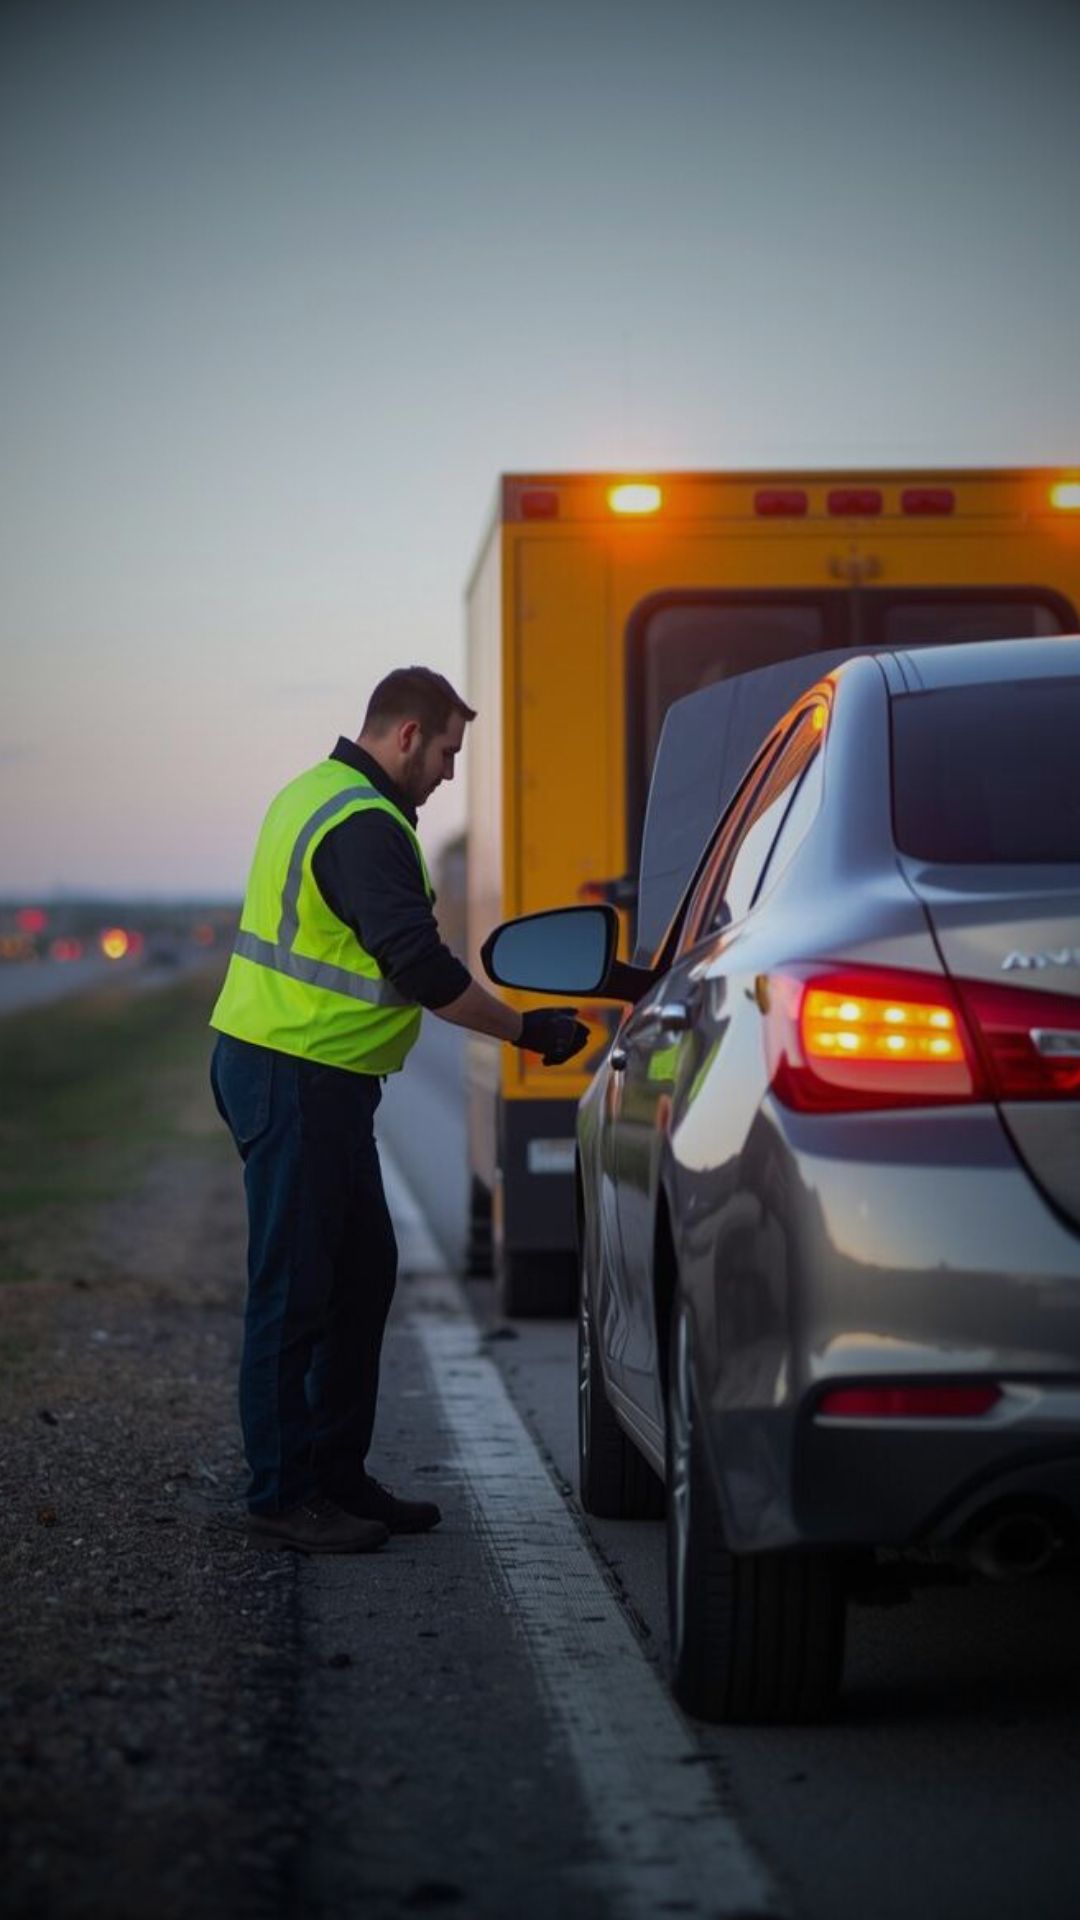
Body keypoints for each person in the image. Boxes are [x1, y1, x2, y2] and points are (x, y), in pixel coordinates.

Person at [209, 666, 587, 1553]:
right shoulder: (362, 823)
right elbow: (421, 971)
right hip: (293, 1072)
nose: (453, 772)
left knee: (361, 1274)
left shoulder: (322, 795)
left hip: (312, 1076)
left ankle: (335, 1475)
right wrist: (528, 1031)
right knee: (295, 1290)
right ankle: (281, 1494)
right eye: (450, 750)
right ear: (408, 735)